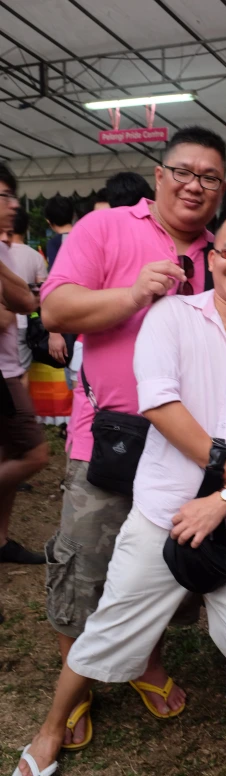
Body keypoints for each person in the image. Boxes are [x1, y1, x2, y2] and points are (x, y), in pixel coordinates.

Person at [10, 201, 226, 776]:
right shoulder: (172, 317)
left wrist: (220, 500)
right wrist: (224, 478)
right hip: (158, 513)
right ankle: (48, 732)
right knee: (111, 623)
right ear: (213, 259)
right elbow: (159, 401)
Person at [39, 126, 226, 750]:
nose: (195, 185)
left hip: (189, 446)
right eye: (184, 171)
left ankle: (145, 662)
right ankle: (79, 686)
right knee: (86, 565)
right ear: (159, 175)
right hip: (110, 436)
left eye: (210, 177)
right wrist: (133, 295)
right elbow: (56, 311)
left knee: (167, 564)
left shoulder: (222, 251)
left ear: (221, 187)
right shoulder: (107, 228)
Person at [0, 164, 48, 566]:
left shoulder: (3, 250)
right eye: (4, 197)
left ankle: (0, 542)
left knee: (9, 457)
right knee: (35, 455)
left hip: (9, 367)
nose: (13, 205)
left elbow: (25, 304)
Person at [10, 206, 48, 387]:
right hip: (22, 322)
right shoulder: (36, 257)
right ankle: (20, 412)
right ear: (26, 228)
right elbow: (42, 293)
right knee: (21, 371)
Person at [44, 196, 74, 271]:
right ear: (73, 216)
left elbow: (54, 272)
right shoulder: (86, 237)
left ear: (49, 221)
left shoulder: (53, 243)